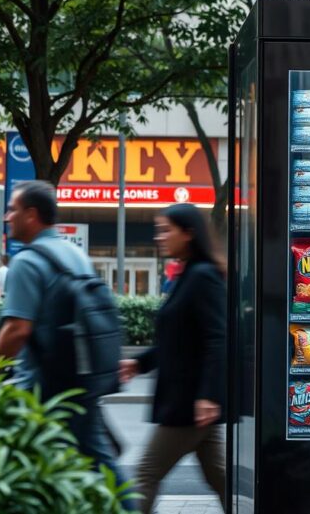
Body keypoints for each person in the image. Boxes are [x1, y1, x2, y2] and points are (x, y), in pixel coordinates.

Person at [0, 181, 132, 504]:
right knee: (98, 461)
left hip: (44, 391)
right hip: (79, 379)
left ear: (31, 214)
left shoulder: (27, 261)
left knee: (20, 471)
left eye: (12, 209)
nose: (7, 217)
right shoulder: (73, 253)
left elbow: (17, 330)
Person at [119, 204, 227, 513]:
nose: (159, 236)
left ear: (189, 233)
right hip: (191, 401)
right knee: (220, 477)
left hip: (189, 403)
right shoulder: (189, 274)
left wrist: (207, 395)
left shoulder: (202, 276)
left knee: (145, 474)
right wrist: (139, 363)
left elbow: (216, 339)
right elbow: (177, 338)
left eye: (166, 230)